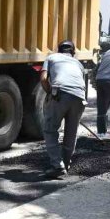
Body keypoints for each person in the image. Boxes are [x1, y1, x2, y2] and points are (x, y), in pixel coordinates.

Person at [41, 40, 87, 178]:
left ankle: (57, 165)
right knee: (71, 133)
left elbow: (43, 78)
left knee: (50, 130)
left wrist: (49, 92)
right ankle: (66, 163)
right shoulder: (78, 63)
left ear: (59, 50)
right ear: (73, 52)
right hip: (79, 97)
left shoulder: (51, 58)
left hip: (60, 94)